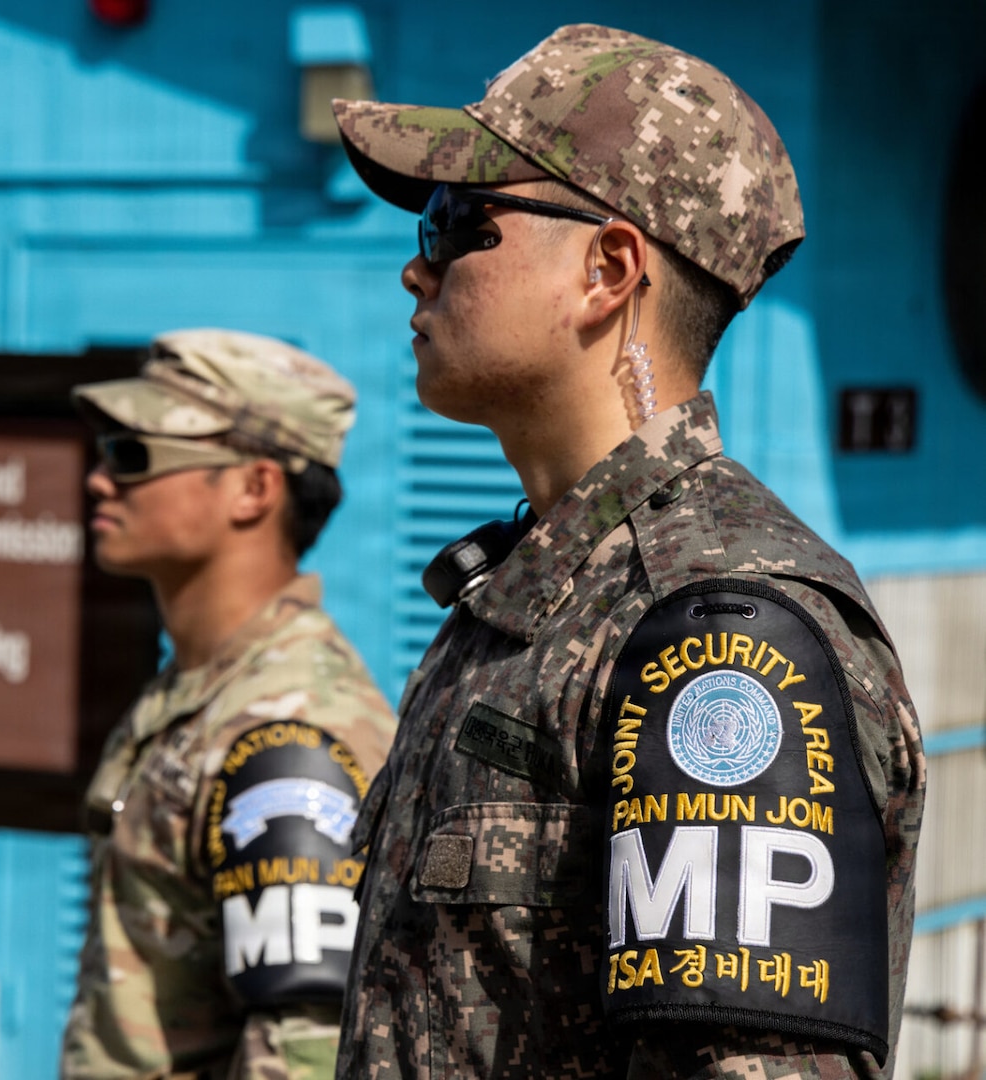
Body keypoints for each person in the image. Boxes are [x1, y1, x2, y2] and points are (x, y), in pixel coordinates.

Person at [329, 23, 925, 1080]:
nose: (413, 274)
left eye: (454, 222)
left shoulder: (720, 629)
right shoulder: (527, 591)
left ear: (606, 270)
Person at [60, 329, 398, 1079]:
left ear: (253, 488)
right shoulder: (196, 689)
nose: (99, 479)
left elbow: (304, 1053)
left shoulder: (290, 731)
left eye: (132, 455)